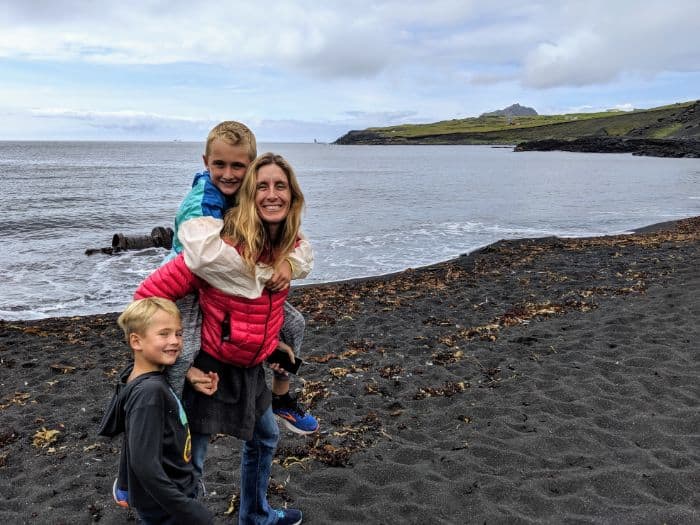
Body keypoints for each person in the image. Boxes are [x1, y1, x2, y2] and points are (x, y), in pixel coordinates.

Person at [134, 152, 307, 525]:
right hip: (208, 369)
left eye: (281, 186)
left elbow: (265, 306)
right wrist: (177, 359)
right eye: (262, 186)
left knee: (264, 439)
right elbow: (147, 296)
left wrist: (275, 342)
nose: (272, 194)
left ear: (293, 197)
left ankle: (256, 515)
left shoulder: (286, 249)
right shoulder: (217, 249)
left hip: (250, 367)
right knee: (189, 466)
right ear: (248, 195)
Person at [167, 121, 318, 436]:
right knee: (187, 347)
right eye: (219, 164)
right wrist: (265, 273)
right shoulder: (202, 200)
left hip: (233, 287)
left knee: (295, 324)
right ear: (205, 162)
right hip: (189, 285)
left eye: (238, 166)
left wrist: (288, 263)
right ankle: (169, 409)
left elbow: (300, 246)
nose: (228, 174)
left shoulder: (246, 195)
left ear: (251, 166)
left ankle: (282, 395)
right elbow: (203, 257)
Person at [98, 297, 214, 525]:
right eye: (164, 334)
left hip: (167, 493)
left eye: (179, 334)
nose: (175, 341)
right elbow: (144, 464)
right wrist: (187, 508)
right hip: (166, 503)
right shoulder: (150, 393)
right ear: (136, 341)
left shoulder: (134, 376)